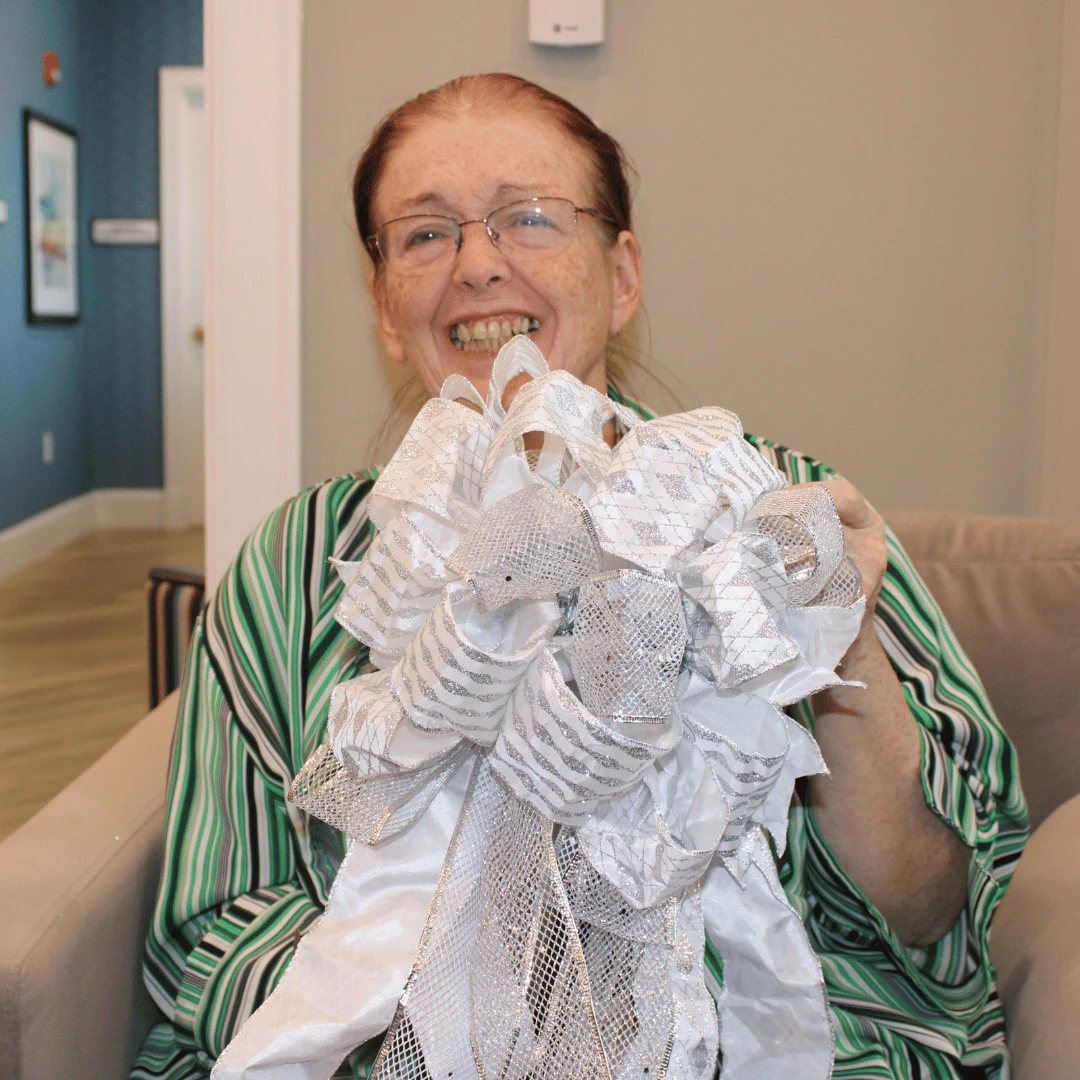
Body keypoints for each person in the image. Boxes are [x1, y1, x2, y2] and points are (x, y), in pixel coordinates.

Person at [131, 74, 1026, 1080]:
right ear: (386, 306)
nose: (477, 263)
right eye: (425, 235)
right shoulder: (297, 567)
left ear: (623, 274)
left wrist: (838, 639)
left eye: (529, 218)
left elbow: (932, 905)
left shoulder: (794, 521)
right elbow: (216, 926)